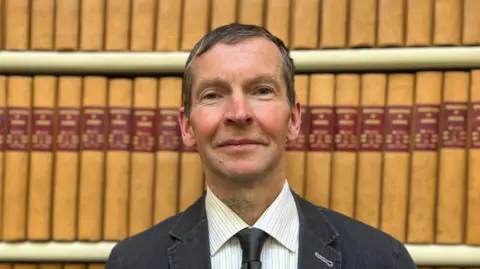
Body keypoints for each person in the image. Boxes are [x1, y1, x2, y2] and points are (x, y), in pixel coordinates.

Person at [105, 23, 417, 269]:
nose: (239, 113)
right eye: (213, 94)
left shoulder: (382, 259)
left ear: (294, 120)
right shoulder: (132, 262)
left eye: (262, 90)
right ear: (187, 127)